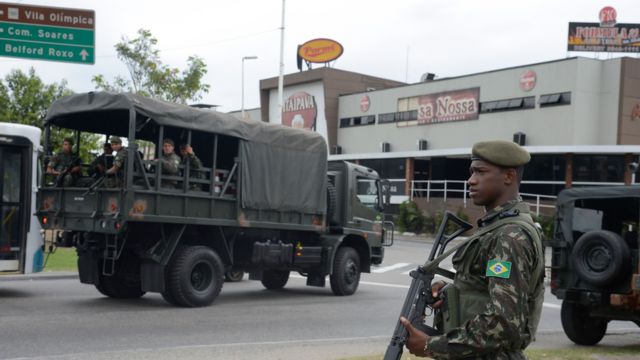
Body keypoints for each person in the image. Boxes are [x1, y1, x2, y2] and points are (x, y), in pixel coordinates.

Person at [400, 140, 545, 359]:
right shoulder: (497, 228)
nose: (471, 180)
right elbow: (486, 291)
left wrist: (432, 345)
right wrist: (453, 292)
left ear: (509, 176)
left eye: (480, 172)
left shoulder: (509, 236)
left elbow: (502, 324)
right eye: (471, 172)